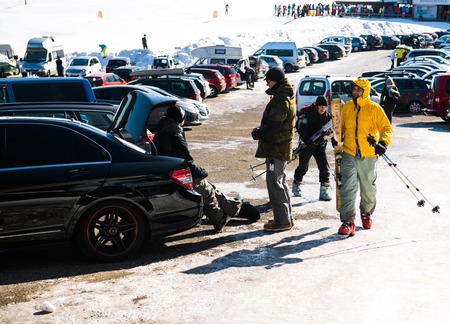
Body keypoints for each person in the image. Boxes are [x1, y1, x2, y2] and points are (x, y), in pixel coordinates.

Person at [153, 105, 243, 232]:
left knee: (210, 186)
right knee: (207, 193)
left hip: (170, 170)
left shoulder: (162, 131)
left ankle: (233, 207)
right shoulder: (174, 134)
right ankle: (220, 220)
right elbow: (185, 158)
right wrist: (200, 172)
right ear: (180, 119)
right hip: (179, 173)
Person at [335, 78, 393, 236]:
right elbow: (340, 128)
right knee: (347, 188)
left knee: (368, 188)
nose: (354, 92)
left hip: (368, 155)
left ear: (365, 91)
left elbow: (386, 128)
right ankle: (348, 221)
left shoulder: (374, 108)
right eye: (354, 89)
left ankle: (366, 213)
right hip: (349, 153)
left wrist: (383, 142)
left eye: (358, 90)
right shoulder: (347, 107)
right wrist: (336, 137)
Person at [251, 67, 296, 232]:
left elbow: (274, 126)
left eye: (268, 80)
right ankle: (286, 217)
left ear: (276, 80)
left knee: (275, 183)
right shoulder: (285, 96)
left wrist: (258, 133)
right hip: (280, 147)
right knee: (280, 182)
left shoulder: (280, 99)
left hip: (276, 148)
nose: (267, 83)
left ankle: (282, 220)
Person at [292, 95, 332, 201]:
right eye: (321, 107)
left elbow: (330, 130)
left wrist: (328, 134)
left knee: (324, 167)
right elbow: (301, 129)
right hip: (307, 145)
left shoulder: (327, 116)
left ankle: (324, 191)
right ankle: (296, 184)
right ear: (316, 106)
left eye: (324, 107)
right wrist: (307, 141)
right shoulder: (308, 114)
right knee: (303, 167)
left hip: (320, 145)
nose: (323, 109)